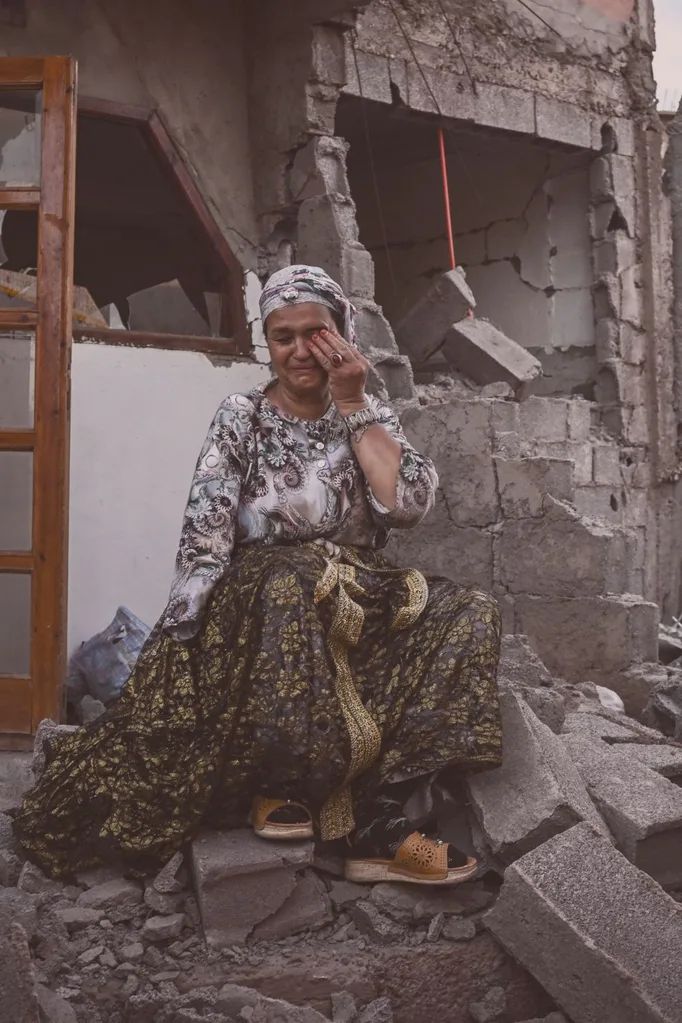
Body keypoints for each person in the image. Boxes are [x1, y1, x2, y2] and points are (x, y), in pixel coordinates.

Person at [11, 264, 502, 885]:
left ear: (344, 334)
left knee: (468, 609)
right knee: (290, 574)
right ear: (265, 343)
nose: (300, 351)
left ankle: (379, 820)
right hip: (263, 600)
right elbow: (206, 536)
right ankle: (281, 782)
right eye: (282, 336)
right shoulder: (241, 416)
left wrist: (352, 405)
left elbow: (406, 508)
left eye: (316, 334)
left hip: (355, 586)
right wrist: (180, 636)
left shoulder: (369, 411)